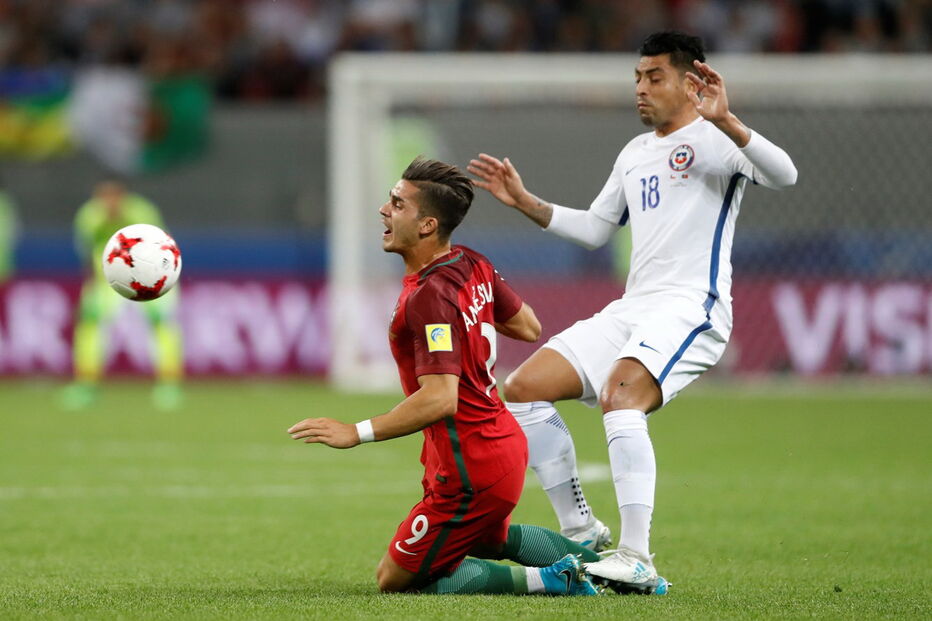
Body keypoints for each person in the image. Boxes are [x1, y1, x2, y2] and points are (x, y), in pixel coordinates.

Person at [468, 31, 797, 593]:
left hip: (693, 307)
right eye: (637, 79)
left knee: (620, 397)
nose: (640, 90)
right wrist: (527, 203)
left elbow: (785, 173)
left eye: (654, 78)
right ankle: (582, 528)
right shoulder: (634, 152)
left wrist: (729, 120)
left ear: (692, 83)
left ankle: (637, 556)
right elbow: (597, 228)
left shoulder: (716, 139)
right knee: (520, 389)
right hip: (634, 306)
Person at [288, 157, 637, 596]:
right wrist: (471, 313)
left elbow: (440, 399)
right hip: (499, 443)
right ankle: (620, 571)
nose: (383, 210)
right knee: (491, 539)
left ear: (428, 224)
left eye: (397, 204)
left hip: (471, 463)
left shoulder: (431, 298)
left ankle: (550, 580)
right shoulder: (470, 263)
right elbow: (529, 325)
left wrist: (355, 432)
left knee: (395, 579)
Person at [62, 181, 184, 410]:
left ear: (123, 195)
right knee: (91, 321)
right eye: (104, 196)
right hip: (108, 277)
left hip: (150, 275)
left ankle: (169, 384)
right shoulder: (89, 216)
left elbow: (162, 248)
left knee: (161, 322)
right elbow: (88, 252)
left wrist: (161, 283)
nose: (109, 202)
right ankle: (87, 384)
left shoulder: (142, 212)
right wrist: (91, 285)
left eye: (113, 196)